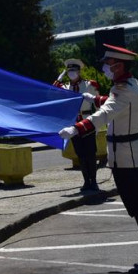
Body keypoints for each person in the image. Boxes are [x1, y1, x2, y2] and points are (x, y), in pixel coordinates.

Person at [59, 44, 138, 274]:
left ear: (119, 65)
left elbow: (106, 114)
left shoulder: (124, 90)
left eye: (108, 64)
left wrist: (77, 129)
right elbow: (111, 104)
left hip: (127, 155)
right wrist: (95, 99)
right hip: (127, 153)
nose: (105, 68)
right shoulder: (130, 84)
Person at [53, 58, 101, 193]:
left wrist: (98, 124)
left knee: (91, 154)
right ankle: (86, 181)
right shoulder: (65, 88)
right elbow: (52, 92)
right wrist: (59, 80)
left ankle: (94, 181)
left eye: (74, 70)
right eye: (69, 71)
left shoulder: (89, 85)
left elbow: (98, 105)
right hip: (73, 125)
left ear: (79, 71)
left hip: (88, 123)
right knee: (81, 155)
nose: (72, 73)